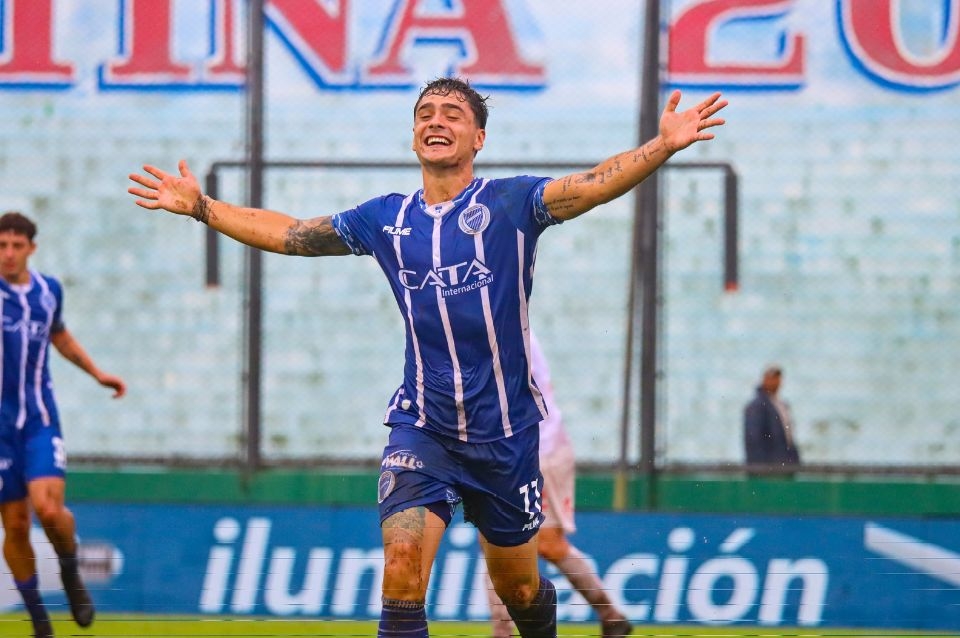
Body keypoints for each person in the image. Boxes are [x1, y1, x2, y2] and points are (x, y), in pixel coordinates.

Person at [128, 76, 726, 638]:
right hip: (423, 427)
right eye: (424, 114)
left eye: (452, 114)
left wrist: (661, 146)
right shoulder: (386, 219)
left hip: (505, 436)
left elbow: (592, 183)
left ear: (479, 138)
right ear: (414, 135)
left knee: (519, 590)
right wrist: (204, 207)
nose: (435, 121)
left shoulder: (511, 203)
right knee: (402, 570)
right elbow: (292, 234)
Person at [0, 212, 127, 638]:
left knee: (49, 510)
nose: (8, 254)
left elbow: (60, 336)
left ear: (31, 249)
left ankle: (70, 572)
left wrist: (97, 373)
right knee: (16, 525)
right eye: (2, 246)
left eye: (17, 246)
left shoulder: (48, 291)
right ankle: (39, 619)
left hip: (39, 419)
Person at [485, 331, 632, 638]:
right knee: (493, 540)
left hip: (539, 450)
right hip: (508, 452)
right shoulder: (490, 325)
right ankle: (502, 631)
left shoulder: (505, 330)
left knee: (547, 544)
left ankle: (610, 615)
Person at [743, 364, 801, 472]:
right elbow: (754, 440)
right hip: (769, 468)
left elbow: (788, 438)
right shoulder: (757, 406)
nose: (775, 382)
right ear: (764, 379)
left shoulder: (781, 404)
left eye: (777, 378)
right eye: (771, 378)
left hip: (786, 464)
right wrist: (761, 468)